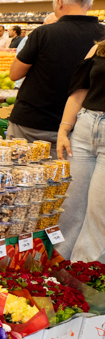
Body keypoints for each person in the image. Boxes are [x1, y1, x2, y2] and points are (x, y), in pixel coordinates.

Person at [8, 0, 104, 154]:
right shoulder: (103, 37)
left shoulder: (43, 33)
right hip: (80, 125)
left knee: (21, 173)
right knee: (64, 178)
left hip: (33, 122)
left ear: (59, 3)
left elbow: (15, 74)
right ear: (89, 6)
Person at [57, 43, 105, 262]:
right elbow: (79, 93)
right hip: (85, 127)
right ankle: (57, 271)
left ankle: (84, 275)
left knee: (99, 212)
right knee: (70, 206)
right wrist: (64, 129)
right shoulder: (100, 48)